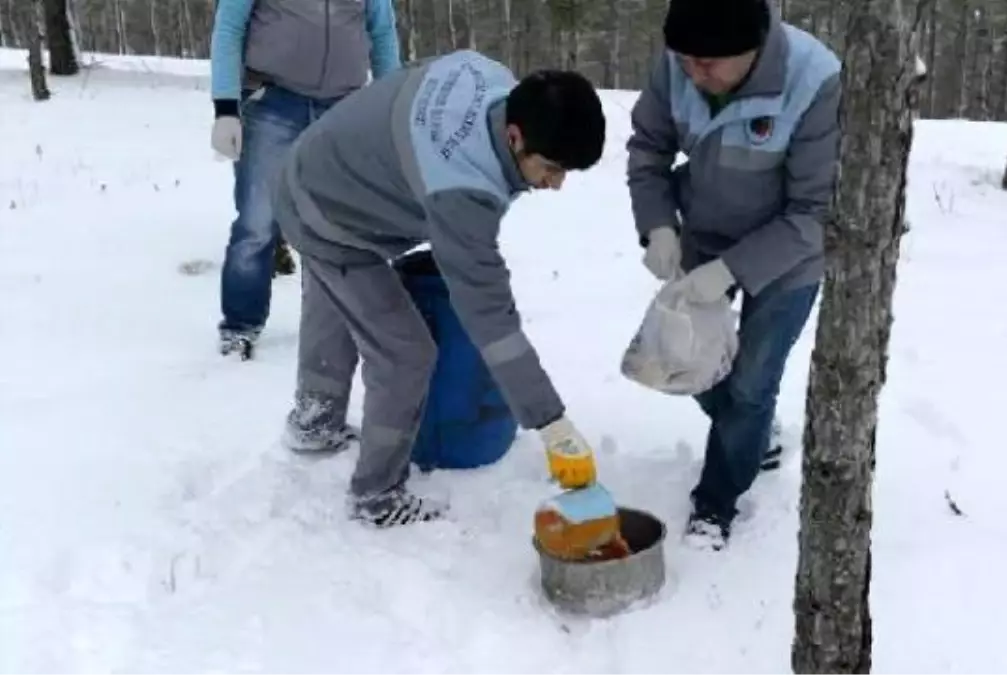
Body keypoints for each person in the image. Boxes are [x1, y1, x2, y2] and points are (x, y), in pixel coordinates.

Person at [271, 49, 608, 528]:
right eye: (551, 168)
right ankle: (376, 495)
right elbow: (491, 319)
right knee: (405, 354)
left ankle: (316, 419)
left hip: (317, 169)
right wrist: (551, 421)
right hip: (329, 215)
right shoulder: (462, 188)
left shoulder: (487, 73)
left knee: (335, 298)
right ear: (515, 137)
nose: (555, 185)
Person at [625, 0, 842, 549]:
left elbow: (816, 212)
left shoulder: (814, 81)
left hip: (788, 256)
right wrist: (658, 227)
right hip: (701, 232)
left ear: (756, 45)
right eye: (685, 58)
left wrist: (734, 270)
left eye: (710, 62)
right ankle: (750, 432)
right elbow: (648, 150)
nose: (694, 72)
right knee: (687, 364)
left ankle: (716, 504)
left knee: (750, 382)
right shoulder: (679, 64)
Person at [208, 0, 402, 359]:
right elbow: (229, 27)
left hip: (344, 107)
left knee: (341, 227)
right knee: (257, 224)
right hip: (272, 102)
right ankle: (240, 327)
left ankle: (335, 329)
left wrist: (390, 105)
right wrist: (225, 107)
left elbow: (382, 32)